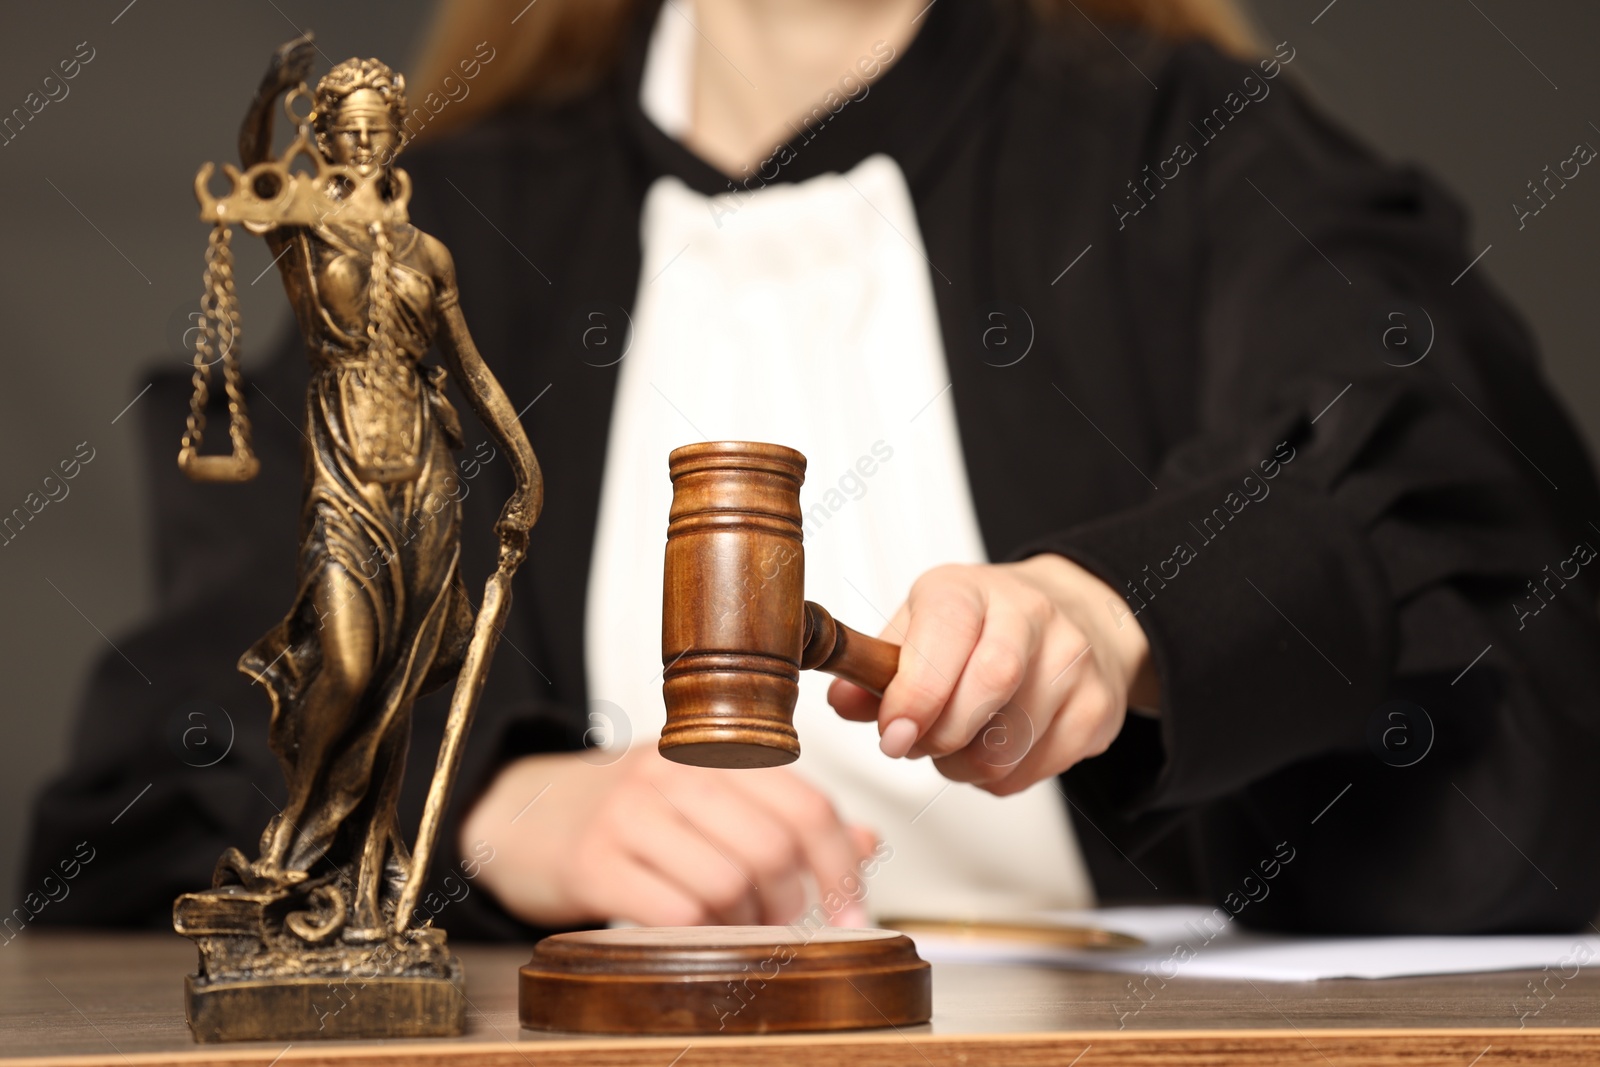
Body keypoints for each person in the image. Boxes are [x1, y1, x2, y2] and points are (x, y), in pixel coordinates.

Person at [24, 0, 1600, 940]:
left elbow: (1432, 480)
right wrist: (496, 816)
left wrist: (1130, 615)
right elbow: (203, 715)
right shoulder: (451, 218)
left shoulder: (1197, 147)